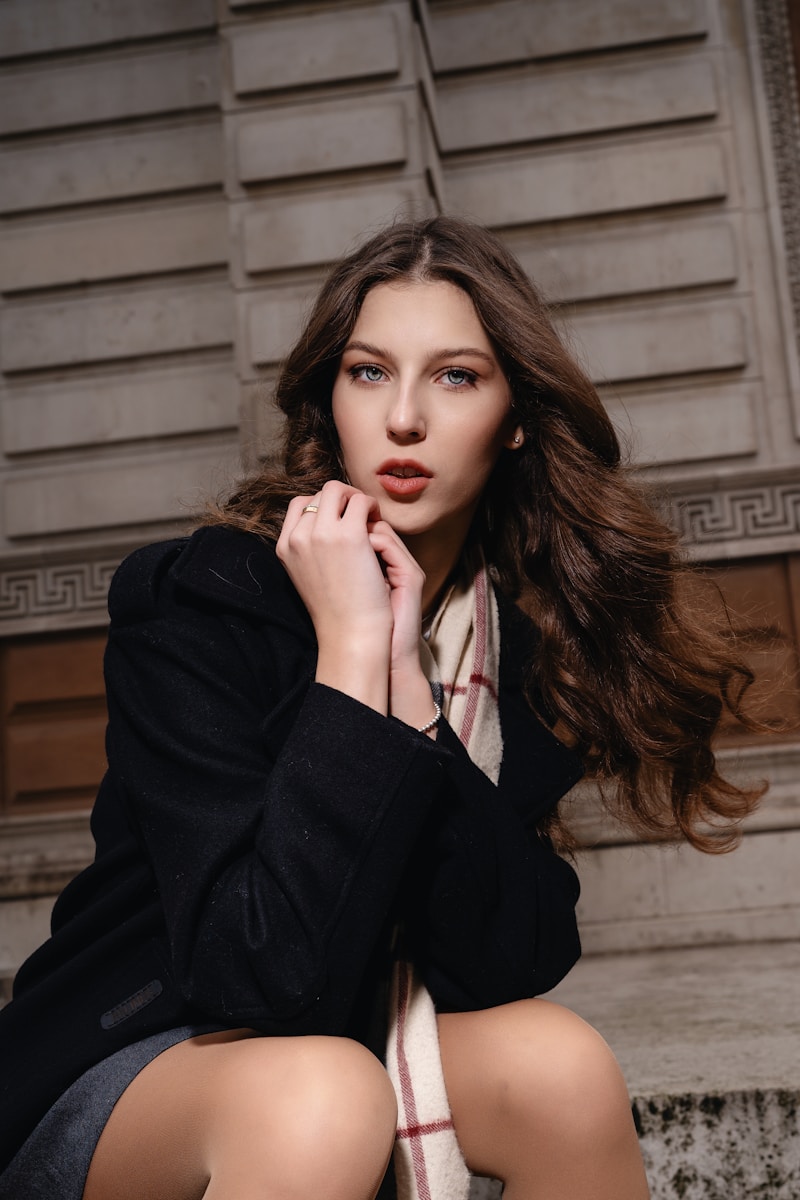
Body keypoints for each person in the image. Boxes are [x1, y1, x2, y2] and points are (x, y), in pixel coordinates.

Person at [0, 216, 762, 1200]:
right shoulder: (203, 596)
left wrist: (412, 693)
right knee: (320, 1093)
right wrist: (352, 659)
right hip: (136, 1059)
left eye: (454, 376)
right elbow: (256, 971)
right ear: (330, 396)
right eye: (368, 372)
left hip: (342, 1036)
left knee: (557, 1067)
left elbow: (507, 956)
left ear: (515, 416)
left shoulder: (508, 652)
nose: (402, 418)